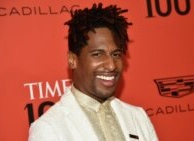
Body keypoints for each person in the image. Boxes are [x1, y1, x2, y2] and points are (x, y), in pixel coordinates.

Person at [28, 3, 159, 141]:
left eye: (116, 54)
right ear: (72, 60)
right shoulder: (49, 128)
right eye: (97, 54)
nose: (111, 65)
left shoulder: (137, 117)